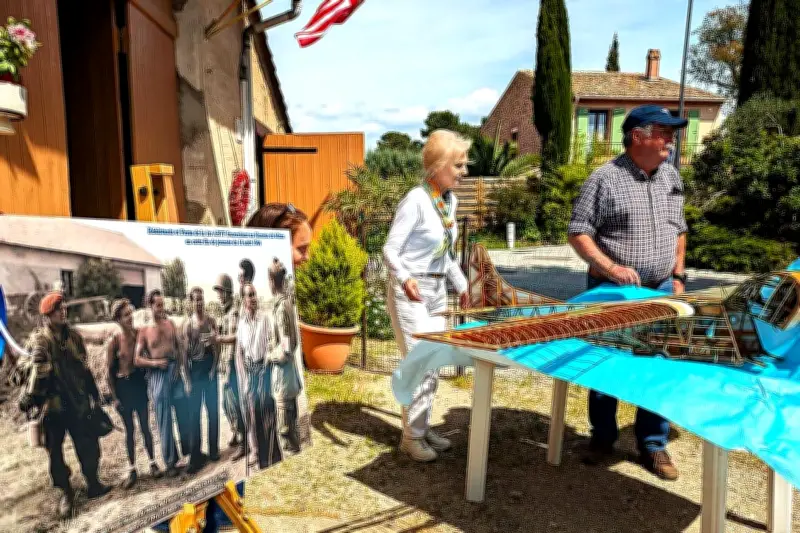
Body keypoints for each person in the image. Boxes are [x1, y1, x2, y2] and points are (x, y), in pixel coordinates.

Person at [567, 104, 689, 481]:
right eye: (664, 132)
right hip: (612, 291)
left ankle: (653, 444)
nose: (671, 139)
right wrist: (611, 268)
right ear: (638, 136)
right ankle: (603, 438)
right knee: (606, 366)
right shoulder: (603, 179)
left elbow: (680, 228)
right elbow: (578, 231)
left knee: (659, 365)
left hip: (662, 288)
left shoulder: (671, 176)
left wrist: (679, 275)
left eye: (671, 133)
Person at [383, 128, 471, 462]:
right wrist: (404, 279)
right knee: (420, 361)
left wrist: (462, 285)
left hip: (437, 289)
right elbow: (390, 250)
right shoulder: (416, 200)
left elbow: (445, 254)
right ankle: (411, 437)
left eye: (464, 165)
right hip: (412, 291)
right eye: (458, 166)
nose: (464, 172)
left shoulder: (450, 201)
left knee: (434, 361)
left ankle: (422, 426)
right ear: (438, 166)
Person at [20, 291, 111, 518]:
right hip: (54, 407)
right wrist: (30, 398)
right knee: (55, 454)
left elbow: (84, 367)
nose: (63, 312)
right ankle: (66, 493)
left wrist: (93, 392)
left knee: (88, 444)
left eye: (64, 308)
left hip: (77, 401)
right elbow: (32, 372)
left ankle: (93, 483)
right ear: (47, 315)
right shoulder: (40, 340)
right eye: (57, 309)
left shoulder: (74, 337)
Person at [106, 298, 161, 489]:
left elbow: (148, 355)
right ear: (118, 319)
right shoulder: (114, 341)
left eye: (131, 313)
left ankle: (153, 462)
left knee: (145, 426)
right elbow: (109, 373)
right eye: (126, 315)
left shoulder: (139, 335)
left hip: (138, 384)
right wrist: (114, 398)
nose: (130, 318)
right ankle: (132, 468)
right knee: (129, 430)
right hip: (123, 386)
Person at [135, 289, 191, 478]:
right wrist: (154, 363)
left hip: (174, 370)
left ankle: (188, 453)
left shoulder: (170, 324)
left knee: (183, 411)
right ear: (150, 306)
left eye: (162, 304)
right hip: (158, 374)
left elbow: (180, 348)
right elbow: (137, 359)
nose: (161, 308)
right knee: (164, 419)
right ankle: (170, 462)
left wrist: (182, 370)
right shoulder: (144, 330)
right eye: (157, 305)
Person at [234, 283, 281, 468]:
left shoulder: (265, 319)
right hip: (250, 372)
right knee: (253, 414)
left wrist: (267, 363)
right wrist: (244, 378)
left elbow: (272, 344)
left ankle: (273, 456)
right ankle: (260, 456)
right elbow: (240, 352)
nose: (253, 298)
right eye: (249, 295)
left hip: (265, 368)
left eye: (254, 294)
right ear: (244, 300)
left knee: (267, 413)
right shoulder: (242, 324)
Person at [266, 258, 302, 455]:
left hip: (284, 382)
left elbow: (286, 350)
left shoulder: (281, 309)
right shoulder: (286, 303)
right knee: (291, 431)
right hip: (287, 382)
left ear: (271, 281)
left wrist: (269, 355)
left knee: (286, 436)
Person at [183, 287, 221, 472]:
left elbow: (217, 346)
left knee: (213, 411)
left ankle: (213, 450)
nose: (199, 303)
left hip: (209, 369)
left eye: (201, 299)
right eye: (196, 300)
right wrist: (188, 381)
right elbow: (183, 356)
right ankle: (195, 456)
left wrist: (214, 368)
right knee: (194, 416)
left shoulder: (211, 321)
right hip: (195, 371)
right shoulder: (188, 325)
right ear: (191, 302)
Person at [214, 274, 246, 460]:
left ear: (227, 292)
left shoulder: (234, 311)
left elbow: (235, 338)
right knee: (226, 404)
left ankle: (244, 443)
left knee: (235, 404)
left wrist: (218, 339)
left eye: (220, 292)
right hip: (226, 365)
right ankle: (236, 432)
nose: (218, 295)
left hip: (233, 366)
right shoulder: (225, 312)